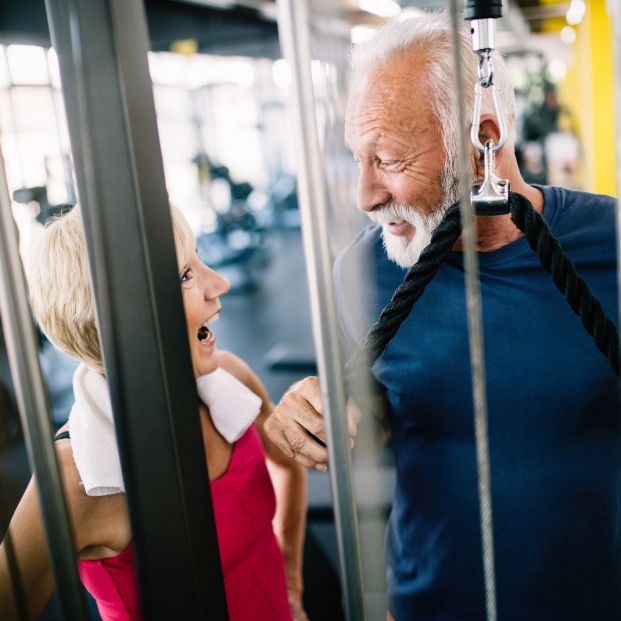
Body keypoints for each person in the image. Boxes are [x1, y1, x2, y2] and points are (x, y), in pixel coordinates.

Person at [264, 11, 621, 621]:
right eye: (358, 158)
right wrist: (315, 415)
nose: (365, 196)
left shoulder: (610, 245)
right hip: (428, 602)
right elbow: (378, 421)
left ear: (483, 138)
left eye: (391, 160)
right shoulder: (364, 271)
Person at [0, 205, 308, 621]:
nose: (220, 283)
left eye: (198, 259)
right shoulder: (75, 478)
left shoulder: (231, 377)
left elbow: (287, 465)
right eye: (185, 275)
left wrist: (291, 578)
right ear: (122, 319)